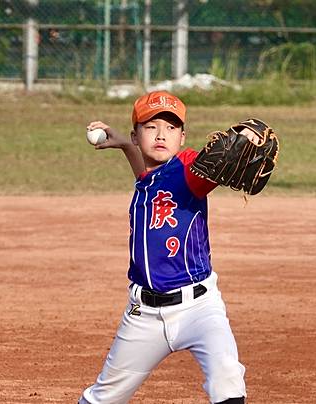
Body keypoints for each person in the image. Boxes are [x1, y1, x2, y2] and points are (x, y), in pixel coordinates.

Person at [79, 91, 247, 404]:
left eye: (171, 128)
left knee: (227, 378)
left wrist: (241, 144)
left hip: (199, 307)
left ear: (182, 137)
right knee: (103, 398)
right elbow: (147, 175)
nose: (161, 134)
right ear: (136, 135)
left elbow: (201, 174)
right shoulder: (147, 178)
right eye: (151, 126)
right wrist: (125, 147)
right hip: (143, 315)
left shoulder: (188, 168)